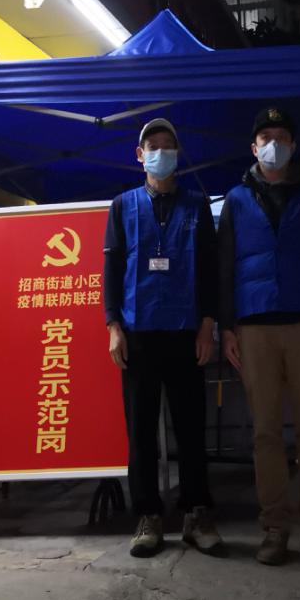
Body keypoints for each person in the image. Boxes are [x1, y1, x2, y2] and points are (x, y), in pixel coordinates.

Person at [218, 106, 300, 568]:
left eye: (282, 137)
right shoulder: (235, 200)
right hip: (254, 328)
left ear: (293, 145)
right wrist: (227, 326)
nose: (274, 144)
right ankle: (274, 529)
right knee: (266, 434)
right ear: (253, 148)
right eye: (266, 137)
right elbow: (224, 266)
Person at [103, 118, 224, 558]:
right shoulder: (122, 205)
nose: (160, 153)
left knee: (191, 429)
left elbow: (209, 269)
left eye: (167, 146)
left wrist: (208, 324)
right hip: (137, 335)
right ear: (140, 156)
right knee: (141, 433)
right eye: (152, 146)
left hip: (186, 333)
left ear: (178, 153)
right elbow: (111, 269)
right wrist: (113, 326)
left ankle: (196, 514)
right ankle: (148, 516)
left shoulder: (196, 206)